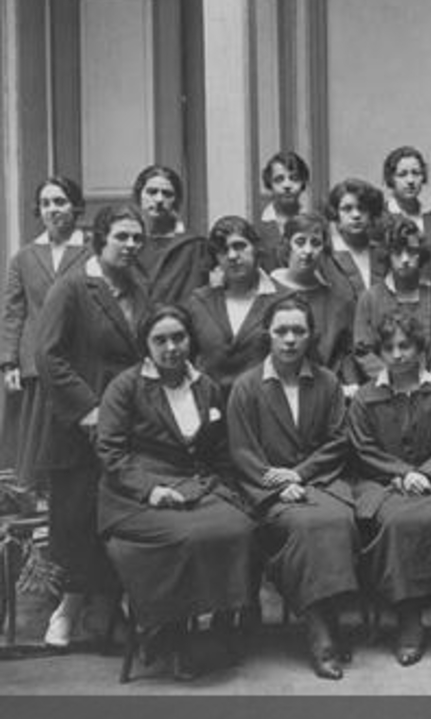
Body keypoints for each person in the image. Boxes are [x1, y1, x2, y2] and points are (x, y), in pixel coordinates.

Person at [96, 305, 255, 680]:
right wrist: (151, 490)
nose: (171, 347)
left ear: (191, 340)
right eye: (160, 340)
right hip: (133, 495)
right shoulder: (125, 387)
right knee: (187, 537)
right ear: (146, 345)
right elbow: (111, 453)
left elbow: (218, 452)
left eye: (178, 338)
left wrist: (222, 489)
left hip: (195, 487)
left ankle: (217, 625)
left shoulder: (206, 386)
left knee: (241, 527)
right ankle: (172, 632)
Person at [226, 297, 360, 680]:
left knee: (339, 520)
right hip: (268, 491)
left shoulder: (327, 382)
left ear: (310, 336)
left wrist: (300, 473)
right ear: (267, 334)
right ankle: (321, 633)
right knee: (305, 528)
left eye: (298, 331)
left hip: (318, 482)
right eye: (281, 331)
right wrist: (275, 486)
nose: (289, 340)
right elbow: (241, 450)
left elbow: (338, 440)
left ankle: (330, 618)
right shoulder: (247, 387)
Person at [35, 205, 150, 648]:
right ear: (100, 238)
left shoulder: (140, 289)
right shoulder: (73, 287)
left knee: (113, 517)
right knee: (75, 517)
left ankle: (108, 609)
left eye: (137, 238)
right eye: (122, 236)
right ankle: (68, 609)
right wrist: (90, 410)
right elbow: (48, 356)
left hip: (127, 424)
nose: (131, 245)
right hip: (79, 426)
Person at [346, 313, 431, 667]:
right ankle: (408, 617)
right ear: (380, 353)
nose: (398, 355)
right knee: (396, 522)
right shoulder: (366, 398)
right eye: (389, 348)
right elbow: (363, 450)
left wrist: (424, 473)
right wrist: (400, 474)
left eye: (405, 346)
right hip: (380, 482)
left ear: (420, 348)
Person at [0, 176, 89, 486]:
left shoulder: (90, 253)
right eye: (46, 203)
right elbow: (13, 313)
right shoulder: (24, 257)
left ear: (76, 207)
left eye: (60, 202)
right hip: (35, 364)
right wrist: (9, 362)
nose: (53, 209)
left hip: (77, 360)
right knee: (35, 445)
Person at [354, 216, 431, 387]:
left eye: (411, 251)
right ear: (388, 255)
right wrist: (390, 379)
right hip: (386, 392)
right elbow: (363, 350)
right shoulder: (369, 299)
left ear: (421, 254)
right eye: (397, 252)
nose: (404, 259)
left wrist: (429, 382)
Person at [185, 216, 286, 397]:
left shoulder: (284, 300)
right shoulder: (199, 302)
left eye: (239, 246)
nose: (232, 256)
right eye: (223, 250)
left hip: (265, 407)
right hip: (211, 412)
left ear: (256, 248)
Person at [269, 213, 358, 391]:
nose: (308, 251)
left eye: (316, 243)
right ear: (288, 245)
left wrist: (349, 385)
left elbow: (346, 355)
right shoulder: (268, 291)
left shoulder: (338, 303)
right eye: (300, 242)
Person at [132, 164, 212, 305]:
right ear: (139, 196)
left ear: (177, 200)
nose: (159, 199)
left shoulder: (194, 247)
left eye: (167, 194)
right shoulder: (128, 243)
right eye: (152, 192)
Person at [382, 145, 431, 284]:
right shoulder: (380, 218)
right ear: (391, 178)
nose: (410, 180)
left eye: (416, 173)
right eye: (402, 174)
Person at [322, 177, 388, 301]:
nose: (356, 215)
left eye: (362, 208)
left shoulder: (382, 254)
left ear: (371, 213)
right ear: (335, 213)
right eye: (347, 209)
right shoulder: (325, 255)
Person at [256, 151, 311, 272]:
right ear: (269, 184)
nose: (287, 185)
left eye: (294, 178)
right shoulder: (257, 229)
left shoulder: (315, 224)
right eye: (279, 179)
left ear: (303, 183)